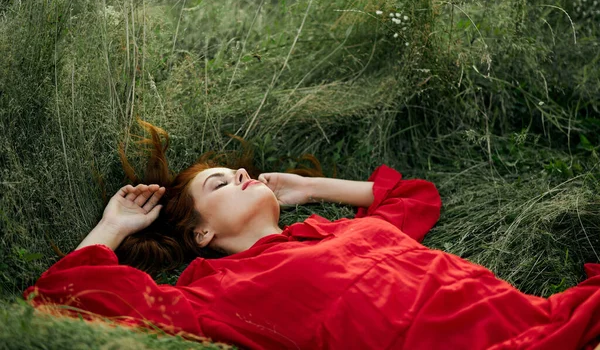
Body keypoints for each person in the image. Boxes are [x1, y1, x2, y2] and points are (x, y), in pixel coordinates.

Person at [24, 121, 600, 350]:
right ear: (200, 233)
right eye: (224, 182)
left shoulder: (333, 230)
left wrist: (307, 187)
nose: (243, 175)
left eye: (241, 172)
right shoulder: (217, 292)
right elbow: (67, 292)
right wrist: (112, 227)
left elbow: (413, 197)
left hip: (522, 319)